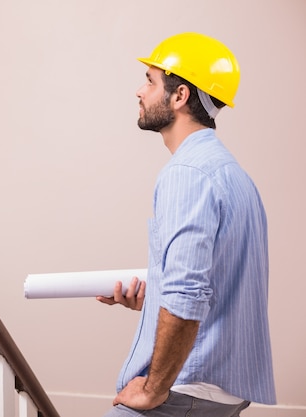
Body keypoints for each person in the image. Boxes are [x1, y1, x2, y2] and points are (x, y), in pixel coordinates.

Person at [97, 32, 276, 416]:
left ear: (179, 96)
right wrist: (151, 300)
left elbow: (187, 293)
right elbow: (219, 284)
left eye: (150, 80)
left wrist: (152, 389)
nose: (139, 92)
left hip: (184, 391)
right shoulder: (233, 175)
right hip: (220, 392)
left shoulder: (187, 174)